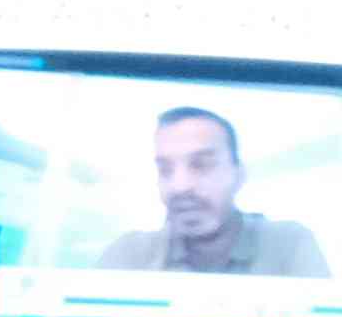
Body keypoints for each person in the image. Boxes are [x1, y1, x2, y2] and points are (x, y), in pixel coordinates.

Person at [112, 104, 328, 276]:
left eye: (201, 165)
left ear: (239, 175)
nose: (180, 186)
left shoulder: (289, 244)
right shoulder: (130, 254)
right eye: (165, 169)